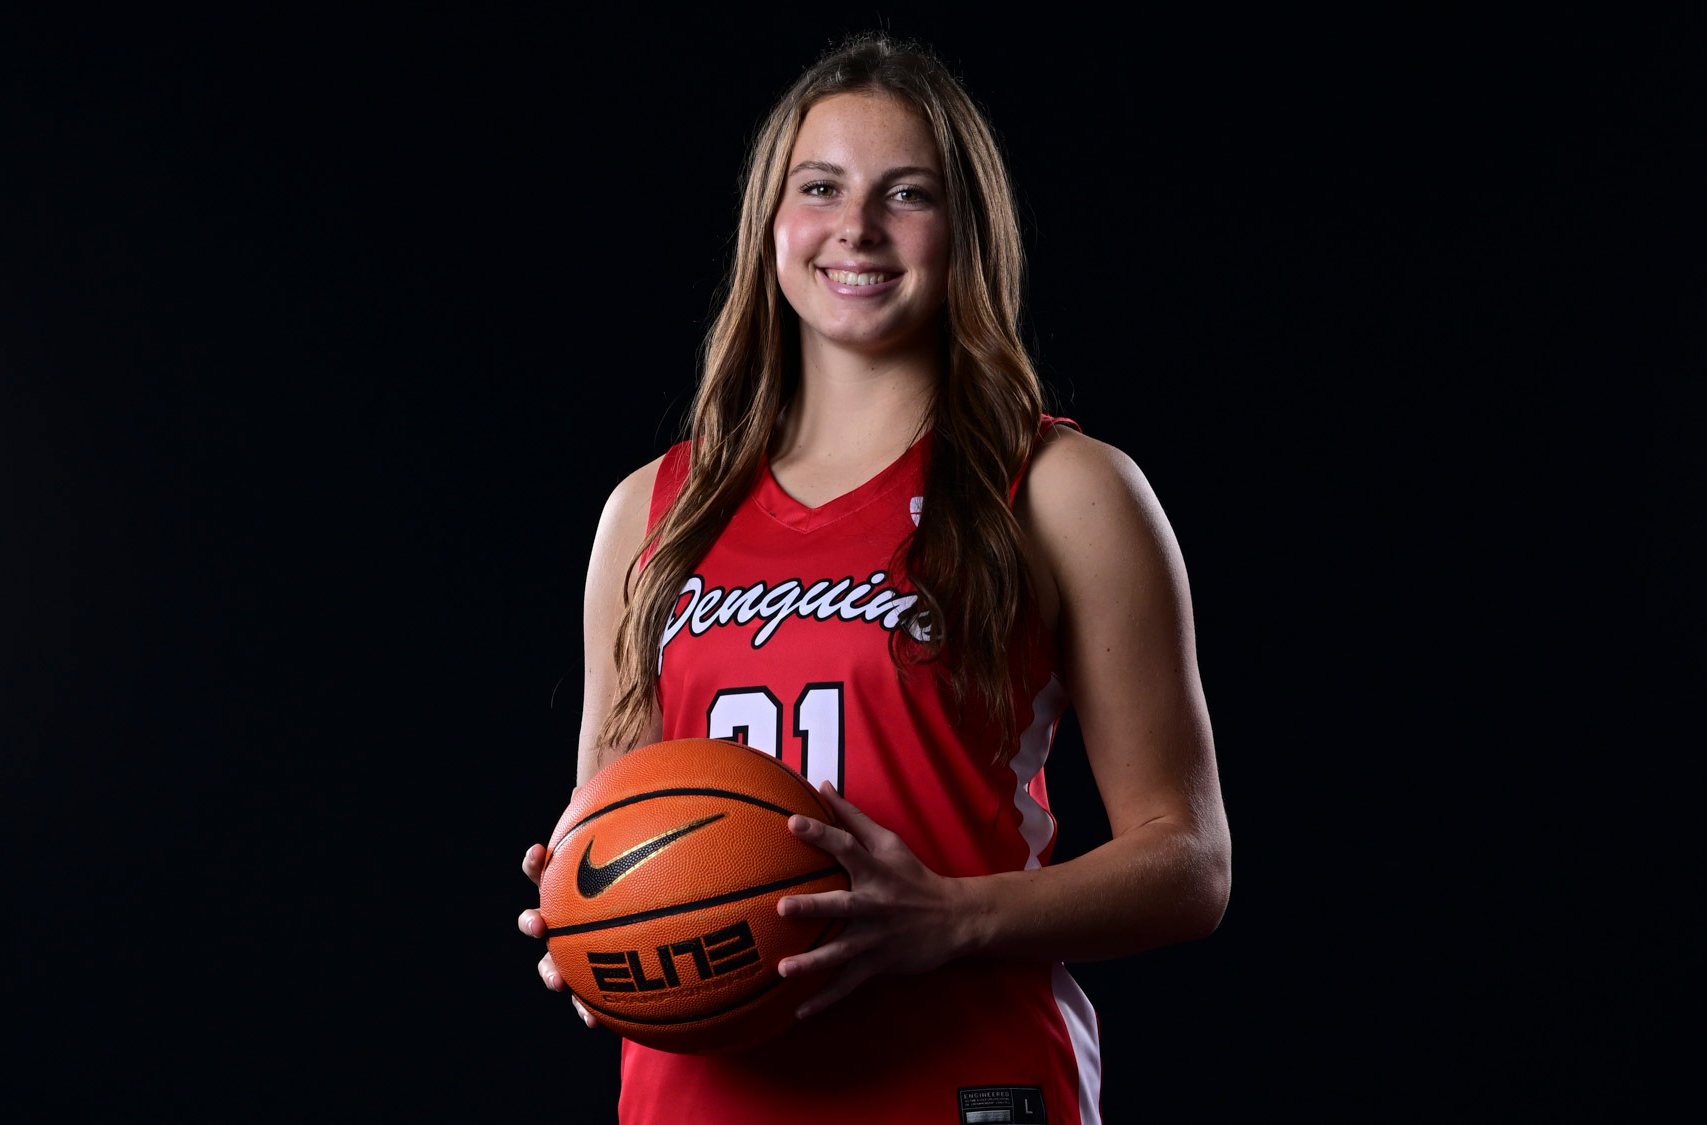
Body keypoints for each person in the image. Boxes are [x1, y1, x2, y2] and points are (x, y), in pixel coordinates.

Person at [517, 31, 1230, 1124]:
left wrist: (954, 915)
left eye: (906, 194)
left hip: (958, 1079)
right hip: (702, 1094)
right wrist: (585, 921)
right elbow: (607, 815)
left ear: (964, 232)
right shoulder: (650, 510)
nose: (855, 227)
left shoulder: (1060, 488)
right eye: (820, 188)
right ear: (771, 224)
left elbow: (1187, 865)